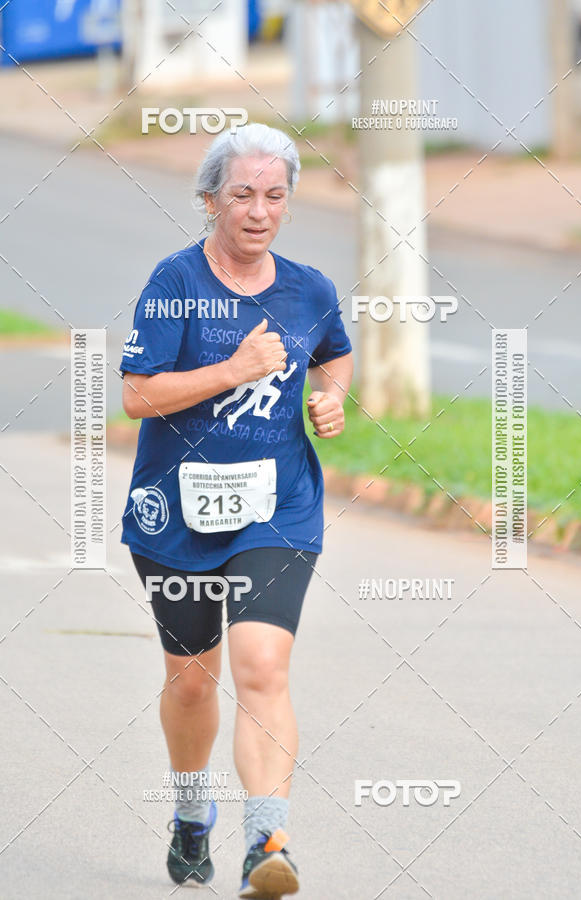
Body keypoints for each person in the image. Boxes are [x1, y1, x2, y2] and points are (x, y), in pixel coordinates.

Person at [119, 122, 353, 898]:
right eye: (243, 194)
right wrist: (234, 368)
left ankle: (267, 842)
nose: (259, 211)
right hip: (177, 514)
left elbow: (335, 353)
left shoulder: (309, 289)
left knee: (262, 666)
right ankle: (192, 813)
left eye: (275, 196)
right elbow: (137, 395)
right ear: (210, 199)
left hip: (277, 508)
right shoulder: (175, 282)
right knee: (192, 682)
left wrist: (331, 398)